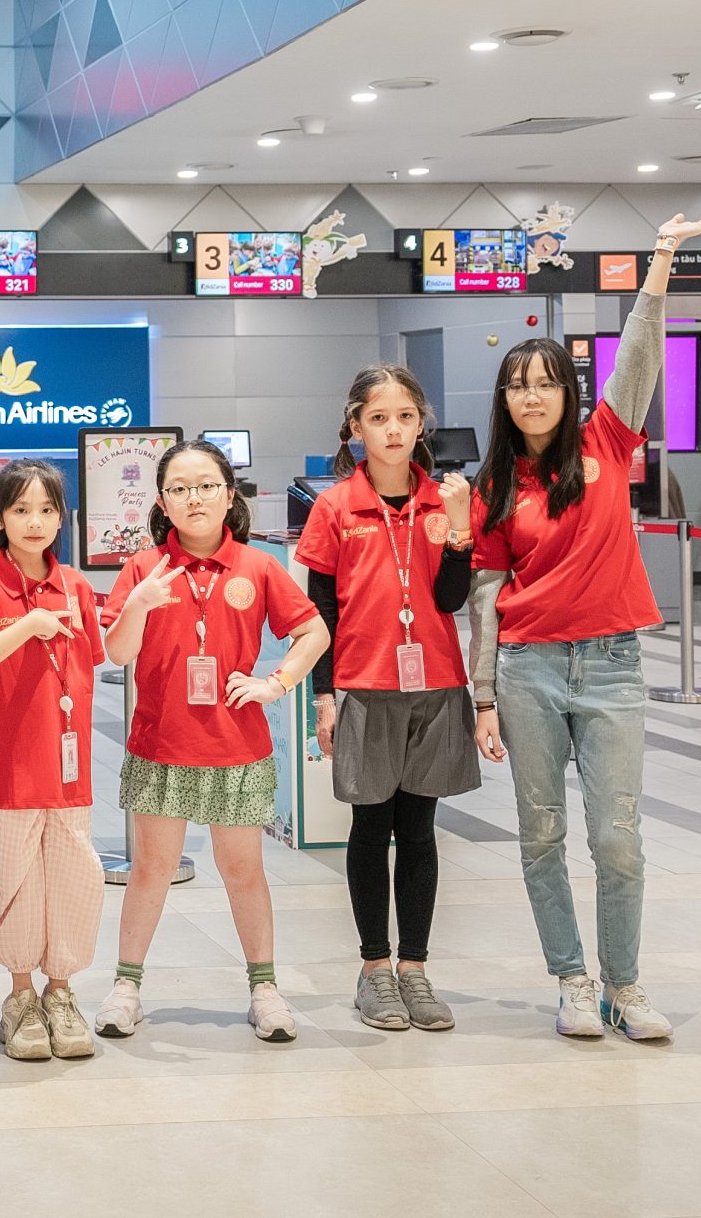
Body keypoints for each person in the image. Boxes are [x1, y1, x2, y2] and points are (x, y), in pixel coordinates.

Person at [469, 209, 701, 1043]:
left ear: (567, 390)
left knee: (617, 838)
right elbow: (485, 595)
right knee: (541, 833)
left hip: (612, 664)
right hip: (528, 668)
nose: (532, 394)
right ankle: (572, 980)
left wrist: (660, 260)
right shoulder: (495, 485)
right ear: (504, 399)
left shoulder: (607, 440)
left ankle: (625, 984)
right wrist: (481, 695)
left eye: (545, 381)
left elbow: (641, 352)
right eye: (518, 384)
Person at [94, 439, 329, 1044]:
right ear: (162, 502)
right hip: (161, 745)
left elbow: (314, 632)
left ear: (229, 496)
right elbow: (116, 652)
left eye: (206, 486)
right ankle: (126, 986)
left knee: (242, 869)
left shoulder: (258, 567)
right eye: (179, 489)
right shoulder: (143, 569)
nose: (194, 498)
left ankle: (265, 988)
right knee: (151, 867)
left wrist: (276, 683)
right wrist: (139, 604)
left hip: (237, 748)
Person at [296, 367, 480, 1032]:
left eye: (405, 416)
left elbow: (452, 600)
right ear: (356, 428)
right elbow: (319, 611)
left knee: (422, 831)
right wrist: (322, 696)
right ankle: (375, 968)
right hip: (364, 685)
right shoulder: (334, 507)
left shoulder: (444, 501)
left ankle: (415, 970)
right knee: (371, 830)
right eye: (378, 418)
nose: (393, 430)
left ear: (421, 423)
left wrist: (458, 529)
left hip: (435, 684)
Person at [0, 458, 107, 1061]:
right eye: (20, 509)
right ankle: (20, 997)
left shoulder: (77, 587)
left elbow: (94, 661)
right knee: (17, 879)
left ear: (62, 518)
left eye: (46, 509)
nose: (34, 521)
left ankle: (60, 992)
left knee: (74, 876)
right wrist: (29, 625)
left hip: (70, 770)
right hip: (13, 766)